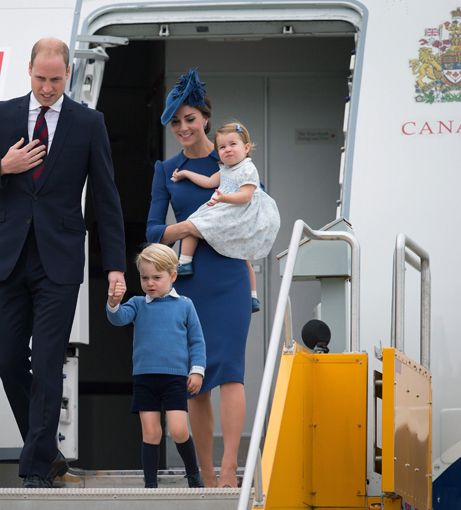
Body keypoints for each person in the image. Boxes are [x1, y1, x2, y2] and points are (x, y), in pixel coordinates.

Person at [0, 38, 127, 488]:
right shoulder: (2, 114)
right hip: (9, 256)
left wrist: (116, 267)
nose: (47, 88)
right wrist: (2, 167)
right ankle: (46, 452)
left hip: (60, 261)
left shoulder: (89, 123)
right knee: (7, 359)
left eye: (56, 79)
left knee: (48, 362)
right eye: (40, 78)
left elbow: (106, 199)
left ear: (68, 73)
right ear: (28, 70)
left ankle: (34, 470)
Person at [146, 68, 258, 488]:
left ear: (205, 118)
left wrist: (199, 227)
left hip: (228, 275)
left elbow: (253, 212)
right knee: (197, 378)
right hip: (188, 282)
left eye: (189, 119)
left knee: (229, 370)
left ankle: (230, 466)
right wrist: (193, 227)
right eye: (175, 122)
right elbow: (154, 231)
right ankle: (206, 474)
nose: (183, 128)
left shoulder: (232, 157)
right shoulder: (166, 169)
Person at [106, 244, 206, 489]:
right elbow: (118, 319)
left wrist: (197, 370)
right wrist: (113, 301)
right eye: (144, 277)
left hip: (174, 379)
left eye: (156, 277)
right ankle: (150, 485)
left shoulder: (185, 305)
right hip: (145, 379)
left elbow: (197, 341)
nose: (150, 282)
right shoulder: (138, 303)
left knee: (179, 430)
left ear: (172, 276)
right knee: (150, 433)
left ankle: (193, 474)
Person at [170, 122, 280, 312]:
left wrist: (223, 197)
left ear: (246, 149)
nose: (227, 150)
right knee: (241, 256)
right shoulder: (225, 169)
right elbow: (209, 182)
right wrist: (186, 174)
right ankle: (252, 297)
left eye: (232, 144)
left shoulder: (247, 169)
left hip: (242, 213)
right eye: (222, 147)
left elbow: (245, 196)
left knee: (193, 223)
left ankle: (185, 262)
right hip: (231, 210)